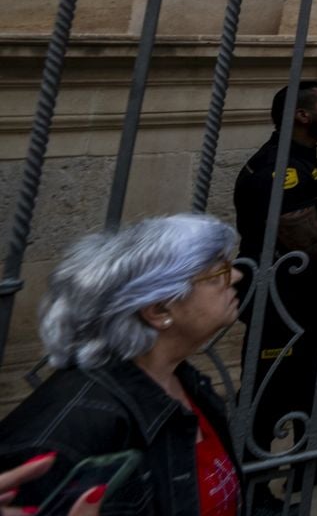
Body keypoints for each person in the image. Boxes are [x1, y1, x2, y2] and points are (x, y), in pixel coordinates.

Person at [0, 214, 242, 516]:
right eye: (216, 272)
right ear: (159, 309)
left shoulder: (184, 382)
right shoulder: (70, 428)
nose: (235, 277)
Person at [232, 79, 317, 462]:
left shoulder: (302, 159)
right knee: (268, 384)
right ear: (302, 115)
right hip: (278, 294)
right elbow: (300, 236)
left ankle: (316, 454)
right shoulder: (279, 168)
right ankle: (249, 476)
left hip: (305, 289)